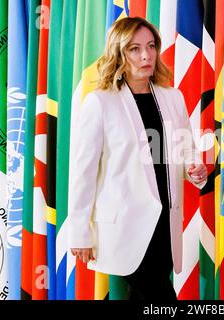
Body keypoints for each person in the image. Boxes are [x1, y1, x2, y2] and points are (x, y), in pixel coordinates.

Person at [67, 17, 207, 301]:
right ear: (119, 53)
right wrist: (79, 232)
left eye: (151, 46)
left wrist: (196, 170)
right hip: (126, 225)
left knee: (146, 295)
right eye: (134, 49)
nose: (146, 56)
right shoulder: (100, 102)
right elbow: (82, 172)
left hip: (166, 223)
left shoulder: (173, 97)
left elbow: (185, 151)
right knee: (156, 293)